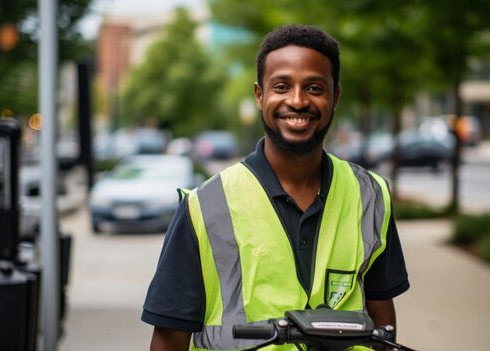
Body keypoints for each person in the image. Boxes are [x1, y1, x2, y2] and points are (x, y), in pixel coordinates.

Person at [142, 24, 409, 351]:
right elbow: (169, 341)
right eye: (281, 86)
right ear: (260, 95)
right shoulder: (205, 207)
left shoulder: (371, 196)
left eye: (314, 87)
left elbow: (383, 323)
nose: (297, 101)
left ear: (335, 96)